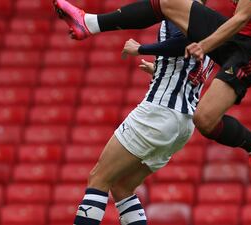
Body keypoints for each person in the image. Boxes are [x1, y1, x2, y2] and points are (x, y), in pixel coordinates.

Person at [54, 0, 251, 190]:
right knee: (167, 2)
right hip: (234, 39)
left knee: (205, 120)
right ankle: (89, 23)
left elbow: (241, 18)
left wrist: (202, 45)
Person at [63, 2, 215, 224]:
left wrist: (142, 48)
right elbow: (192, 67)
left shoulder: (180, 11)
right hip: (183, 123)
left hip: (159, 112)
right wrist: (159, 70)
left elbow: (186, 44)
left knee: (99, 179)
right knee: (122, 187)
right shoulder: (213, 25)